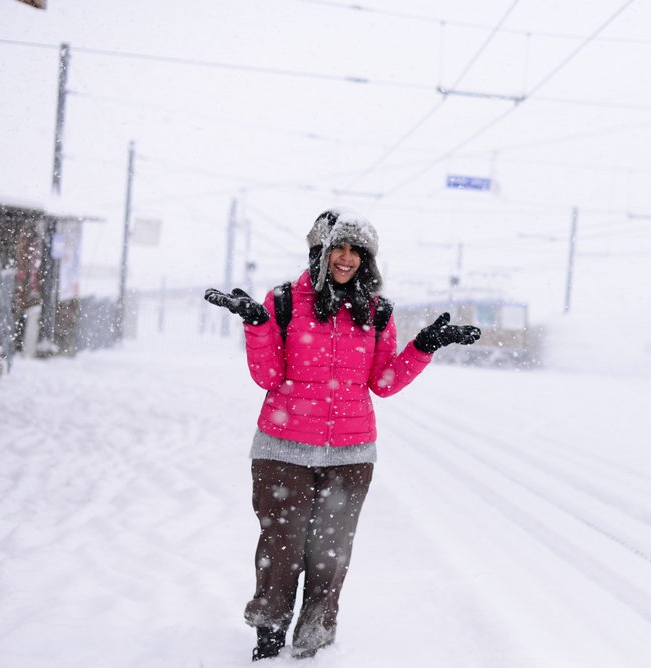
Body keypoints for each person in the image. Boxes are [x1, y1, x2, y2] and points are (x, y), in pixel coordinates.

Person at [204, 209, 481, 661]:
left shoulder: (376, 310)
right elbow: (268, 376)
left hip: (351, 455)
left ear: (367, 260)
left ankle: (313, 642)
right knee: (283, 546)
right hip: (283, 450)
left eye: (357, 250)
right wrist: (257, 325)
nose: (347, 257)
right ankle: (269, 636)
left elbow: (383, 382)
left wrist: (423, 347)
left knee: (329, 555)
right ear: (321, 251)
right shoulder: (285, 301)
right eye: (339, 247)